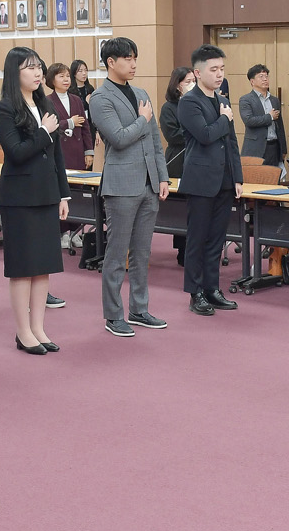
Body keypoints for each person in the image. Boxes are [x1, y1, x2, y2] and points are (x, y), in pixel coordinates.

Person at [88, 36, 169, 337]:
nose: (134, 64)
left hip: (148, 183)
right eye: (128, 58)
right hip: (121, 185)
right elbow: (120, 138)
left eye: (135, 58)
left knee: (142, 253)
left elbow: (156, 141)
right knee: (116, 254)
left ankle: (139, 309)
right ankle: (113, 315)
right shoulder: (100, 98)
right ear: (111, 62)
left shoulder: (141, 93)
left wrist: (162, 177)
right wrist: (142, 119)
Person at [0, 46, 70, 353]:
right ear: (15, 73)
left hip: (47, 193)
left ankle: (38, 328)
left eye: (39, 67)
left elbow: (57, 154)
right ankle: (23, 331)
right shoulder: (4, 108)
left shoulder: (45, 103)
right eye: (30, 68)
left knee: (43, 266)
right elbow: (16, 152)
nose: (38, 73)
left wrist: (63, 194)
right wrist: (43, 131)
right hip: (20, 197)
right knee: (23, 267)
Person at [178, 45, 242, 316]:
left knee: (217, 239)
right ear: (197, 72)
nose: (219, 74)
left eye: (222, 69)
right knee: (198, 239)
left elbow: (232, 142)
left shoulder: (222, 100)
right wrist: (224, 119)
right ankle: (195, 293)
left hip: (224, 180)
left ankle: (212, 288)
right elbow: (205, 135)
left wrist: (238, 177)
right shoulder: (189, 102)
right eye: (213, 69)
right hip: (201, 180)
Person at [160, 66, 195, 265]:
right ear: (177, 85)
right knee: (181, 209)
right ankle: (182, 250)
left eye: (194, 81)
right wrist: (196, 131)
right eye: (188, 81)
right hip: (178, 160)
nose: (192, 85)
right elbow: (172, 135)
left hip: (198, 160)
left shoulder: (199, 103)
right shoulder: (169, 108)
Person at [47, 62, 91, 171]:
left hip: (78, 151)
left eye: (68, 76)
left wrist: (89, 152)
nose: (66, 79)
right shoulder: (47, 101)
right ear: (52, 80)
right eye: (61, 76)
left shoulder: (76, 100)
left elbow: (85, 128)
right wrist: (69, 122)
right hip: (60, 151)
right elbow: (48, 126)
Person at [239, 64, 285, 167]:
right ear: (252, 81)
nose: (265, 79)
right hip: (256, 148)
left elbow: (280, 125)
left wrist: (283, 148)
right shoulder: (246, 100)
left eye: (266, 76)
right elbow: (249, 120)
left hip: (274, 147)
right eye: (261, 76)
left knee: (273, 176)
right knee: (256, 176)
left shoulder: (274, 100)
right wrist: (270, 117)